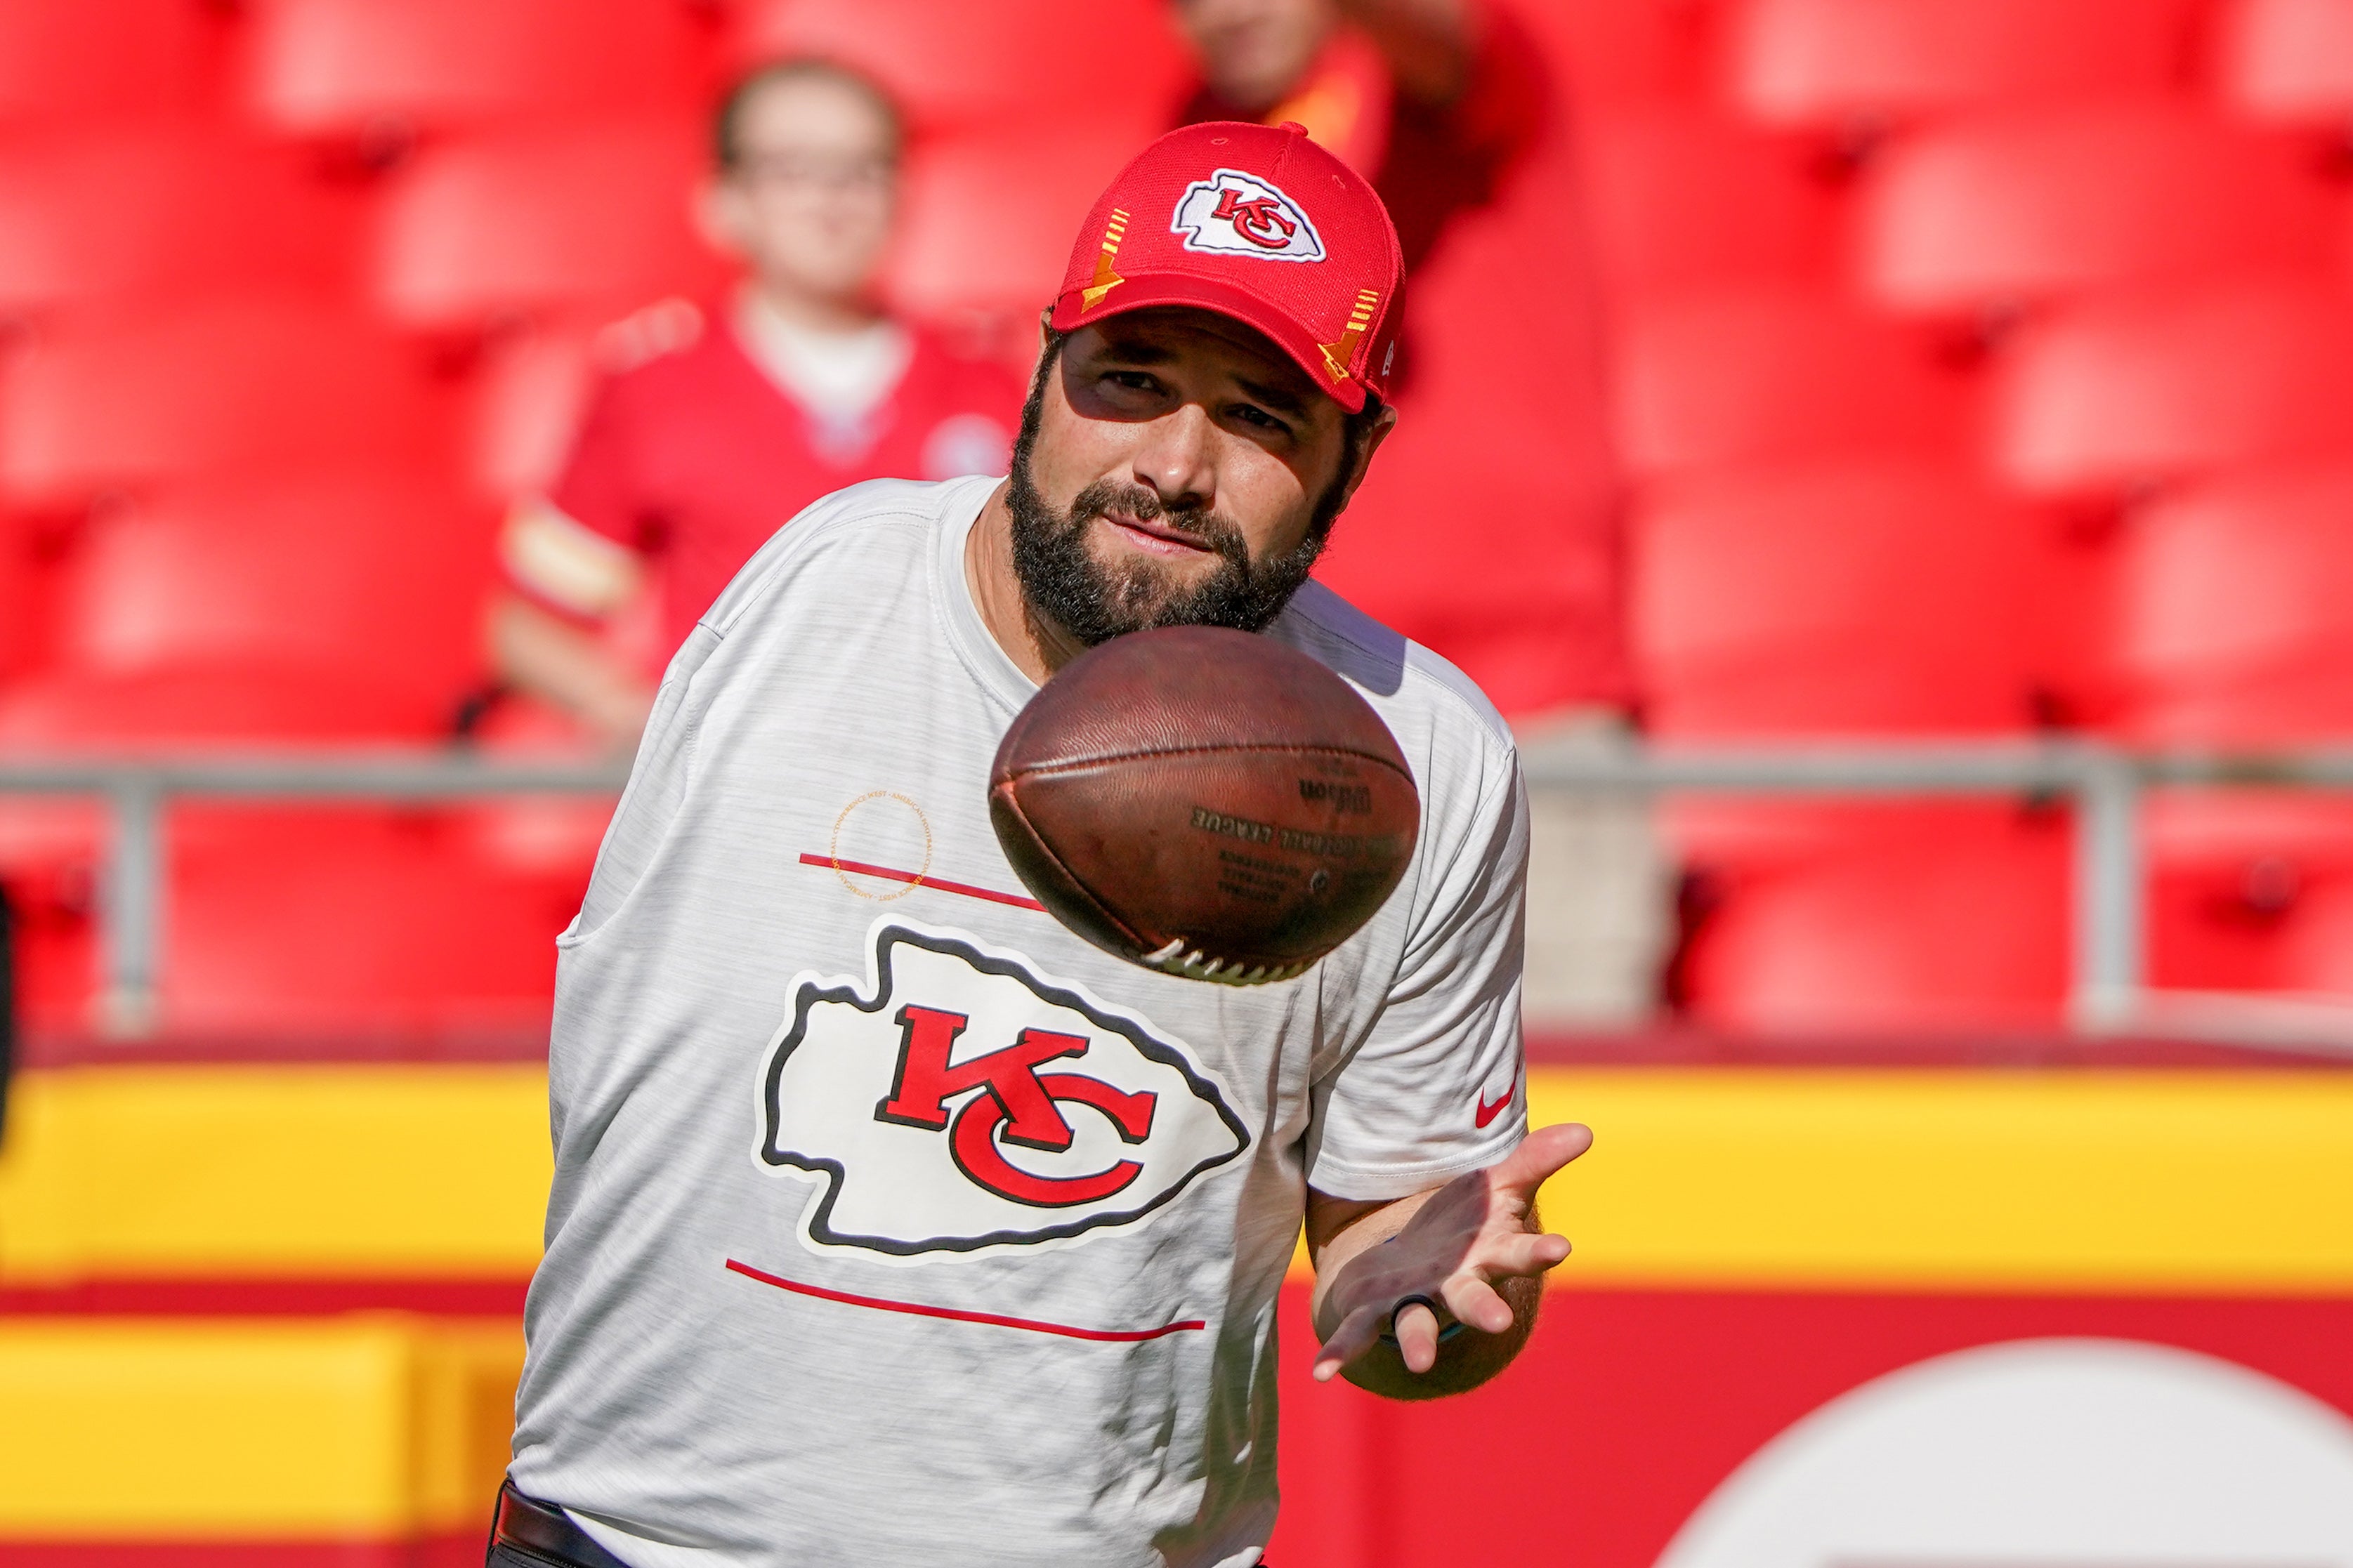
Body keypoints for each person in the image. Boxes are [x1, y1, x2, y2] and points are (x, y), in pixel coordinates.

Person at [492, 121, 1592, 1567]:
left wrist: (1418, 1306)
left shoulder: (1422, 760)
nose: (1177, 465)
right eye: (1130, 382)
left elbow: (1386, 1239)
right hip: (632, 1537)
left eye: (1262, 415)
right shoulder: (815, 592)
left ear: (1355, 455)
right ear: (1039, 372)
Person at [1172, 0, 1670, 1030]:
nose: (1220, 9)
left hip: (1530, 705)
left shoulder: (1436, 81)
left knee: (1565, 1098)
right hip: (1299, 710)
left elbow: (1442, 36)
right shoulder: (1199, 135)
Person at [487, 59, 1025, 749]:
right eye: (793, 168)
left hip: (934, 783)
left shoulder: (984, 379)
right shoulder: (655, 386)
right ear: (723, 201)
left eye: (864, 167)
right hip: (737, 806)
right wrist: (649, 724)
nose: (833, 199)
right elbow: (529, 624)